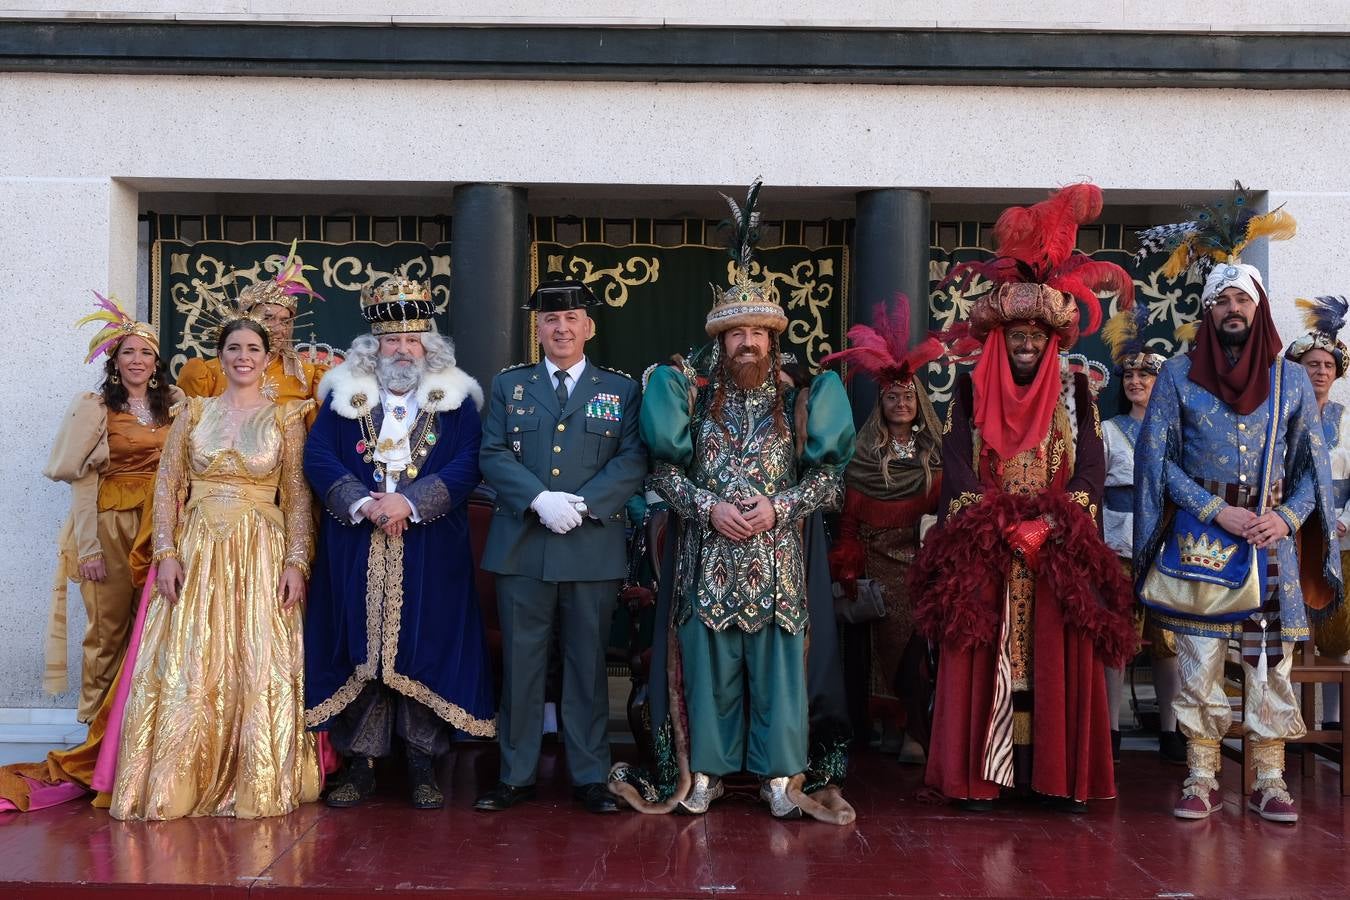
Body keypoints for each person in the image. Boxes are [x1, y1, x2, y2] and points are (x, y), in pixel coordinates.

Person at [615, 180, 857, 822]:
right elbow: (662, 474)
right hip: (707, 565)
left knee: (780, 678)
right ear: (719, 342)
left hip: (780, 569)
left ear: (773, 339)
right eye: (735, 333)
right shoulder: (688, 399)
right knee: (709, 671)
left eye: (757, 332)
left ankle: (782, 774)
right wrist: (706, 507)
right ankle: (709, 774)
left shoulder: (806, 399)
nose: (747, 342)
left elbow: (831, 481)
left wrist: (780, 508)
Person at [912, 183, 1137, 812]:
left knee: (1057, 660)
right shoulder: (968, 393)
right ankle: (981, 778)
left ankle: (1053, 777)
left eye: (1039, 334)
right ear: (1000, 336)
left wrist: (1054, 526)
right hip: (987, 547)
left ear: (1053, 339)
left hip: (1058, 549)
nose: (1027, 343)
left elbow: (1090, 470)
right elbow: (958, 469)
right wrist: (1002, 526)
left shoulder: (1077, 392)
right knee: (983, 656)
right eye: (1017, 333)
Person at [1135, 190, 1341, 822]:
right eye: (1221, 299)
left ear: (1260, 306)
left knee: (1269, 659)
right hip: (1203, 535)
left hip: (1270, 538)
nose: (1231, 308)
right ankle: (1200, 775)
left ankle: (1270, 778)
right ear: (1207, 309)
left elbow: (1312, 470)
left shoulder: (1290, 380)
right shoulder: (1175, 376)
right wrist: (1212, 509)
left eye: (1241, 298)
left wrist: (1288, 517)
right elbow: (1156, 462)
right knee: (1199, 656)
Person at [111, 314, 320, 820]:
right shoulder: (194, 412)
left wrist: (297, 561)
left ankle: (258, 777)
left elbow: (296, 496)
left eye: (253, 348)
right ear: (220, 357)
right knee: (191, 659)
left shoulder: (286, 419)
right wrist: (165, 553)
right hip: (198, 548)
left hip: (261, 550)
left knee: (256, 657)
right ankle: (177, 781)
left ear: (267, 357)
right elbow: (168, 489)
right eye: (233, 348)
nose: (243, 356)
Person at [304, 275, 495, 810]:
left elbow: (467, 462)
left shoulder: (454, 402)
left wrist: (409, 502)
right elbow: (319, 458)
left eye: (413, 340)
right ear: (374, 348)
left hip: (431, 546)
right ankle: (361, 766)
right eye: (392, 340)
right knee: (360, 649)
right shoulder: (344, 399)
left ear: (428, 347)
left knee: (424, 647)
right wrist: (364, 503)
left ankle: (421, 763)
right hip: (355, 544)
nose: (403, 349)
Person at [475, 278, 646, 815]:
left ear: (589, 328)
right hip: (523, 543)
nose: (561, 327)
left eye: (571, 319)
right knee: (522, 666)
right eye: (551, 320)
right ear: (538, 329)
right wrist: (539, 498)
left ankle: (591, 776)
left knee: (586, 665)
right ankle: (515, 775)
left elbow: (633, 459)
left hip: (590, 546)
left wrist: (584, 504)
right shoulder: (510, 386)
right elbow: (493, 453)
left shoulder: (619, 390)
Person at [41, 293, 184, 723]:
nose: (137, 360)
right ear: (115, 360)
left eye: (145, 352)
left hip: (161, 527)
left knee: (156, 631)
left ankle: (142, 733)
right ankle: (93, 734)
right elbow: (82, 480)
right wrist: (89, 548)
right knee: (107, 632)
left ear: (156, 360)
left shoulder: (175, 404)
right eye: (128, 353)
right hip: (113, 526)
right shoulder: (96, 407)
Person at [822, 300, 943, 762]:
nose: (900, 402)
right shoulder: (863, 452)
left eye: (908, 396)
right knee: (868, 655)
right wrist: (848, 558)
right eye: (892, 396)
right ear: (881, 403)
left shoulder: (934, 454)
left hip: (916, 568)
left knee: (916, 656)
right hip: (872, 569)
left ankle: (914, 730)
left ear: (919, 402)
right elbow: (849, 516)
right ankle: (877, 730)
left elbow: (944, 512)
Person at [1099, 303, 1181, 763]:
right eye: (1129, 377)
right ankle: (1110, 729)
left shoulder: (1174, 431)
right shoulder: (1108, 431)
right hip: (1118, 543)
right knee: (1117, 640)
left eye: (1145, 377)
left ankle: (1170, 729)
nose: (1135, 383)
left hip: (1165, 547)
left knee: (1167, 641)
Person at [1282, 294, 1350, 730]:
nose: (1321, 372)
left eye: (1328, 366)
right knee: (1288, 636)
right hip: (1290, 539)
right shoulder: (1282, 418)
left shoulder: (1347, 422)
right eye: (1312, 365)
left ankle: (1334, 726)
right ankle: (1285, 723)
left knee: (1338, 635)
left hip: (1337, 540)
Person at [177, 240, 327, 412]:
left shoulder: (307, 376)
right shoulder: (206, 374)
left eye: (285, 321)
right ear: (246, 319)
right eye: (269, 318)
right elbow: (190, 431)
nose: (278, 328)